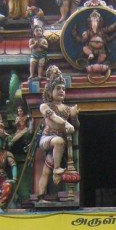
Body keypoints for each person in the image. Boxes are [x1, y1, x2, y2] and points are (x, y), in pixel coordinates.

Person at [37, 66, 79, 199]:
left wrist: (74, 116)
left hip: (59, 144)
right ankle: (57, 168)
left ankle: (41, 196)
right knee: (58, 141)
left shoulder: (67, 109)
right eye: (58, 88)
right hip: (48, 138)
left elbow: (76, 127)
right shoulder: (45, 106)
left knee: (45, 170)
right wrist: (66, 123)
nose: (61, 91)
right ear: (49, 92)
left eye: (63, 89)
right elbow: (54, 117)